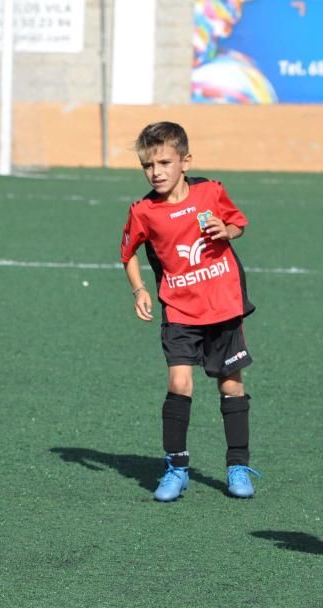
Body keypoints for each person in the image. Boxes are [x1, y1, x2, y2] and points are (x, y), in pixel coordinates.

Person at [119, 121, 261, 501]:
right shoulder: (143, 211)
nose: (156, 172)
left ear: (185, 161)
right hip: (179, 309)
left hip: (223, 304)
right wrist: (139, 290)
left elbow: (238, 224)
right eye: (148, 166)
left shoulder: (211, 191)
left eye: (164, 162)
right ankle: (176, 469)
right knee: (179, 383)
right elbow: (127, 254)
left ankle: (237, 466)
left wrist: (227, 231)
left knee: (231, 383)